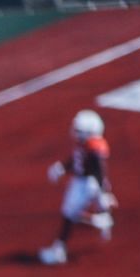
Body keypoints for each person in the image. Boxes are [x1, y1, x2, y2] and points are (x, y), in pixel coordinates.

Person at [41, 109, 116, 265]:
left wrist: (102, 193)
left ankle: (59, 250)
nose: (75, 133)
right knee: (69, 214)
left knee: (70, 214)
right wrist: (62, 168)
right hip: (81, 181)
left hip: (87, 183)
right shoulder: (85, 144)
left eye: (79, 131)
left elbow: (98, 171)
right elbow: (77, 159)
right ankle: (99, 220)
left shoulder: (95, 147)